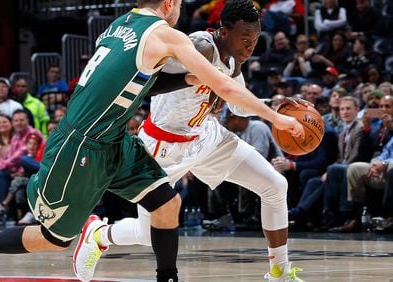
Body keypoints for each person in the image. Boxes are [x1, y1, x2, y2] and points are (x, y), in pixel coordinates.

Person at [0, 1, 303, 282]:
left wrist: (192, 81)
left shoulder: (121, 24)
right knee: (55, 238)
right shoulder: (174, 37)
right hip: (86, 142)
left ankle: (178, 277)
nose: (251, 46)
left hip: (124, 136)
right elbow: (223, 86)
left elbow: (154, 81)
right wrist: (277, 117)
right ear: (169, 4)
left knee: (168, 206)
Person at [73, 1, 304, 281]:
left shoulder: (233, 58)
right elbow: (150, 78)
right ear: (224, 30)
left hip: (206, 137)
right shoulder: (199, 46)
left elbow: (240, 107)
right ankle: (99, 235)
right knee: (149, 235)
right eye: (245, 38)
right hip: (163, 146)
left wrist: (276, 108)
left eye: (255, 39)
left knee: (275, 185)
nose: (250, 46)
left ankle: (280, 272)